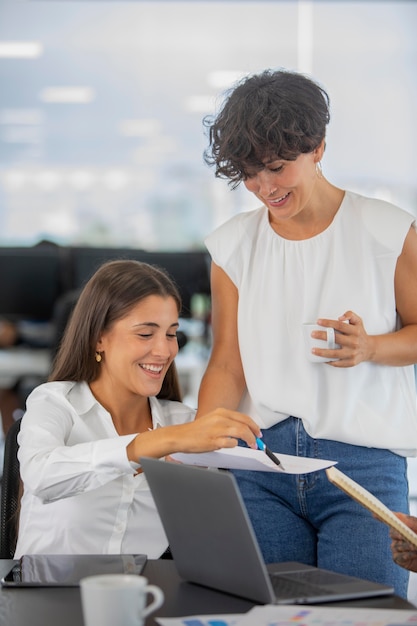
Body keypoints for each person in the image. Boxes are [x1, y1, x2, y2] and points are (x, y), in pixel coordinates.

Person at [197, 68, 417, 598]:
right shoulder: (233, 246)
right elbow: (228, 362)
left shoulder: (387, 230)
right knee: (264, 613)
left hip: (361, 468)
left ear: (317, 148)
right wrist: (199, 449)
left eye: (276, 167)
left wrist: (371, 347)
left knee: (363, 616)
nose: (265, 188)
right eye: (249, 174)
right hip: (259, 464)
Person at [14, 259, 260, 558]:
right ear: (98, 338)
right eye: (146, 334)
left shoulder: (182, 423)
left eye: (171, 334)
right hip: (47, 596)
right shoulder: (54, 402)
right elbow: (41, 476)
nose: (165, 350)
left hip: (141, 597)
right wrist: (154, 443)